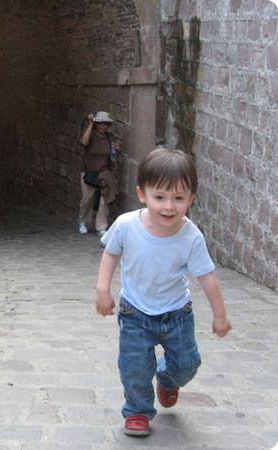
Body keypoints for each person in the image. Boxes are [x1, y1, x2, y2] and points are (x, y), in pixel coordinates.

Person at [96, 146, 232, 436]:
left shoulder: (191, 236)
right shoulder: (126, 225)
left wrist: (220, 315)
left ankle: (168, 379)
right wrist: (102, 290)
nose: (168, 206)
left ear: (191, 199)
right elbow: (110, 254)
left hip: (177, 314)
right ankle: (137, 412)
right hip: (134, 312)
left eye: (178, 198)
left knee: (186, 365)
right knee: (134, 367)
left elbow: (206, 276)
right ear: (142, 194)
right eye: (160, 197)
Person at [79, 111, 120, 237]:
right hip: (89, 173)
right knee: (87, 199)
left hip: (103, 174)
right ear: (97, 124)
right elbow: (84, 142)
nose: (104, 126)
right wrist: (90, 124)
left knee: (104, 199)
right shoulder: (90, 135)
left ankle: (101, 226)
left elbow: (113, 156)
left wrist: (116, 149)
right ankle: (83, 222)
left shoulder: (109, 137)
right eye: (102, 123)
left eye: (107, 124)